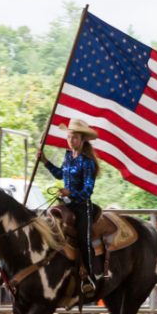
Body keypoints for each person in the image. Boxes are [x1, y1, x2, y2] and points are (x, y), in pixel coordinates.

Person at [39, 118, 101, 296]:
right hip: (65, 205)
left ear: (82, 140)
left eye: (74, 137)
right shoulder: (68, 156)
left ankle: (89, 276)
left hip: (81, 206)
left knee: (83, 238)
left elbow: (87, 190)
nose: (71, 140)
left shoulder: (87, 162)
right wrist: (45, 161)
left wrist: (70, 193)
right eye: (69, 137)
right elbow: (61, 174)